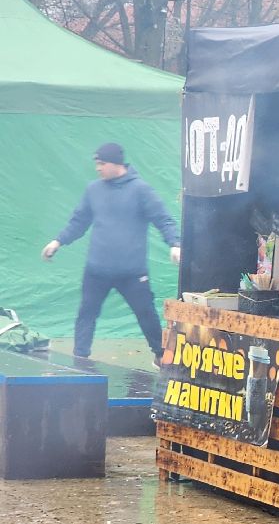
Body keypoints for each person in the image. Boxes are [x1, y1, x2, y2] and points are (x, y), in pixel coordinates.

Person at [41, 142, 181, 363]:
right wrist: (58, 241)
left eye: (101, 163)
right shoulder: (93, 190)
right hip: (97, 270)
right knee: (87, 313)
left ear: (116, 163)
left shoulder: (141, 190)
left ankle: (161, 355)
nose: (98, 168)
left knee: (146, 313)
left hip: (132, 272)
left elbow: (163, 219)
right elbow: (79, 222)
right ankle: (80, 359)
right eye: (97, 163)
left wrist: (175, 244)